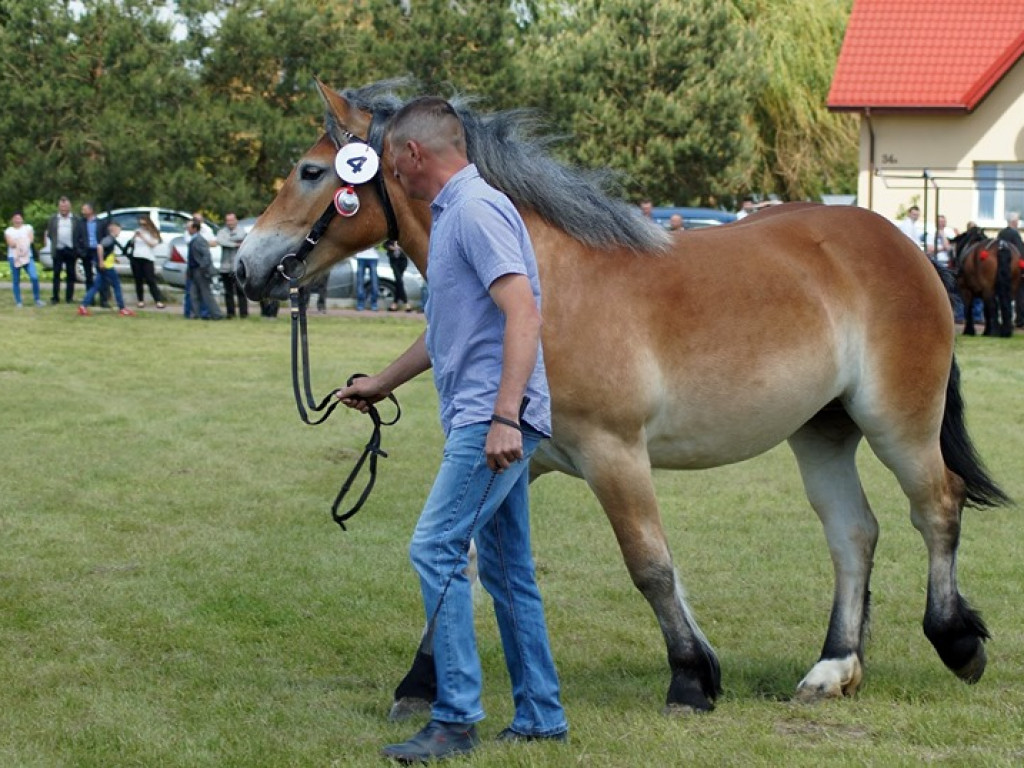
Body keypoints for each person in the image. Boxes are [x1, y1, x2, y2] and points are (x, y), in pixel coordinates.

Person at [336, 96, 568, 763]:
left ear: (413, 154)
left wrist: (503, 418)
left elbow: (522, 314)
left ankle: (456, 717)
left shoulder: (474, 210)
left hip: (490, 422)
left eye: (392, 164)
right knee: (507, 569)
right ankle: (541, 714)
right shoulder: (459, 215)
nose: (391, 178)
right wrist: (381, 381)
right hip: (490, 416)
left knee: (435, 549)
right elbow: (450, 332)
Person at [77, 221, 134, 316]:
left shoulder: (110, 239)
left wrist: (114, 258)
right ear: (114, 229)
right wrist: (101, 262)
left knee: (96, 286)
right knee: (116, 285)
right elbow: (100, 247)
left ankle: (83, 306)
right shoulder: (109, 239)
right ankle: (122, 308)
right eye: (119, 229)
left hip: (105, 266)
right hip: (107, 267)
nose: (120, 232)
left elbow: (108, 251)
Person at [44, 196, 86, 304]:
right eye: (61, 206)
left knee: (71, 274)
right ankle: (55, 297)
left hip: (71, 249)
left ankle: (69, 298)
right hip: (58, 249)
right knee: (56, 274)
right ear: (59, 207)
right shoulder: (53, 218)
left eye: (66, 206)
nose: (63, 209)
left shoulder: (75, 219)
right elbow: (49, 233)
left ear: (69, 207)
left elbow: (80, 234)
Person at [186, 217, 223, 320]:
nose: (187, 230)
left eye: (189, 227)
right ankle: (195, 314)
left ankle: (217, 314)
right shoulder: (193, 240)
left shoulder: (199, 240)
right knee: (193, 294)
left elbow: (206, 255)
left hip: (200, 270)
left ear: (194, 228)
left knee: (206, 294)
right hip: (194, 271)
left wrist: (203, 268)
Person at [5, 212, 44, 307]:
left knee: (34, 277)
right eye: (15, 218)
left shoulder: (28, 228)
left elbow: (30, 240)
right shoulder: (9, 231)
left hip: (27, 256)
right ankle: (18, 301)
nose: (17, 220)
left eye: (19, 218)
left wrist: (18, 241)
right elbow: (11, 244)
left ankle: (37, 299)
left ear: (22, 219)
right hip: (13, 257)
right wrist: (23, 241)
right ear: (12, 220)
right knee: (16, 280)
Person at [216, 212, 248, 318]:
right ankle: (230, 314)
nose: (230, 223)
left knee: (241, 291)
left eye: (231, 220)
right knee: (228, 292)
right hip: (225, 267)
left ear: (236, 220)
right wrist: (235, 243)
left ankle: (244, 314)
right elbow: (221, 241)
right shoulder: (222, 231)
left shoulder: (241, 230)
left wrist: (229, 241)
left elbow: (244, 241)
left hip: (238, 267)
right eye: (228, 220)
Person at [130, 216, 165, 309]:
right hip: (136, 256)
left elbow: (152, 244)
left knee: (150, 280)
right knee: (138, 280)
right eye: (140, 224)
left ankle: (158, 300)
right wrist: (134, 237)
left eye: (144, 224)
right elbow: (132, 243)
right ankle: (140, 300)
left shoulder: (153, 233)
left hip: (148, 258)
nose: (142, 226)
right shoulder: (137, 231)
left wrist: (143, 237)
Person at [997, 212, 1024, 327]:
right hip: (1015, 269)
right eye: (1017, 220)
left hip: (1001, 268)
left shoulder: (1001, 233)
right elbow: (1020, 251)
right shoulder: (1015, 234)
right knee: (1020, 294)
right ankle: (1020, 320)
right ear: (1014, 222)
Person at [80, 203, 109, 306]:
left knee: (102, 276)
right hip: (87, 251)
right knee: (88, 276)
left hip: (98, 251)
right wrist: (81, 251)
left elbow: (105, 237)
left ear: (91, 210)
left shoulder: (101, 223)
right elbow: (78, 237)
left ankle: (104, 300)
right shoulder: (81, 223)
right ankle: (90, 299)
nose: (82, 211)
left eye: (84, 209)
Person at [385, 239, 413, 311]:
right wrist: (392, 248)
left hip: (402, 260)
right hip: (394, 260)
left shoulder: (404, 235)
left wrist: (401, 248)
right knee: (399, 280)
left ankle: (395, 303)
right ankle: (406, 303)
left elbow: (409, 245)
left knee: (398, 281)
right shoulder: (391, 235)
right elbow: (385, 245)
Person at [354, 245, 380, 311]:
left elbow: (379, 244)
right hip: (361, 256)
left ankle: (374, 303)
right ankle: (360, 303)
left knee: (374, 281)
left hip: (373, 257)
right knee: (360, 281)